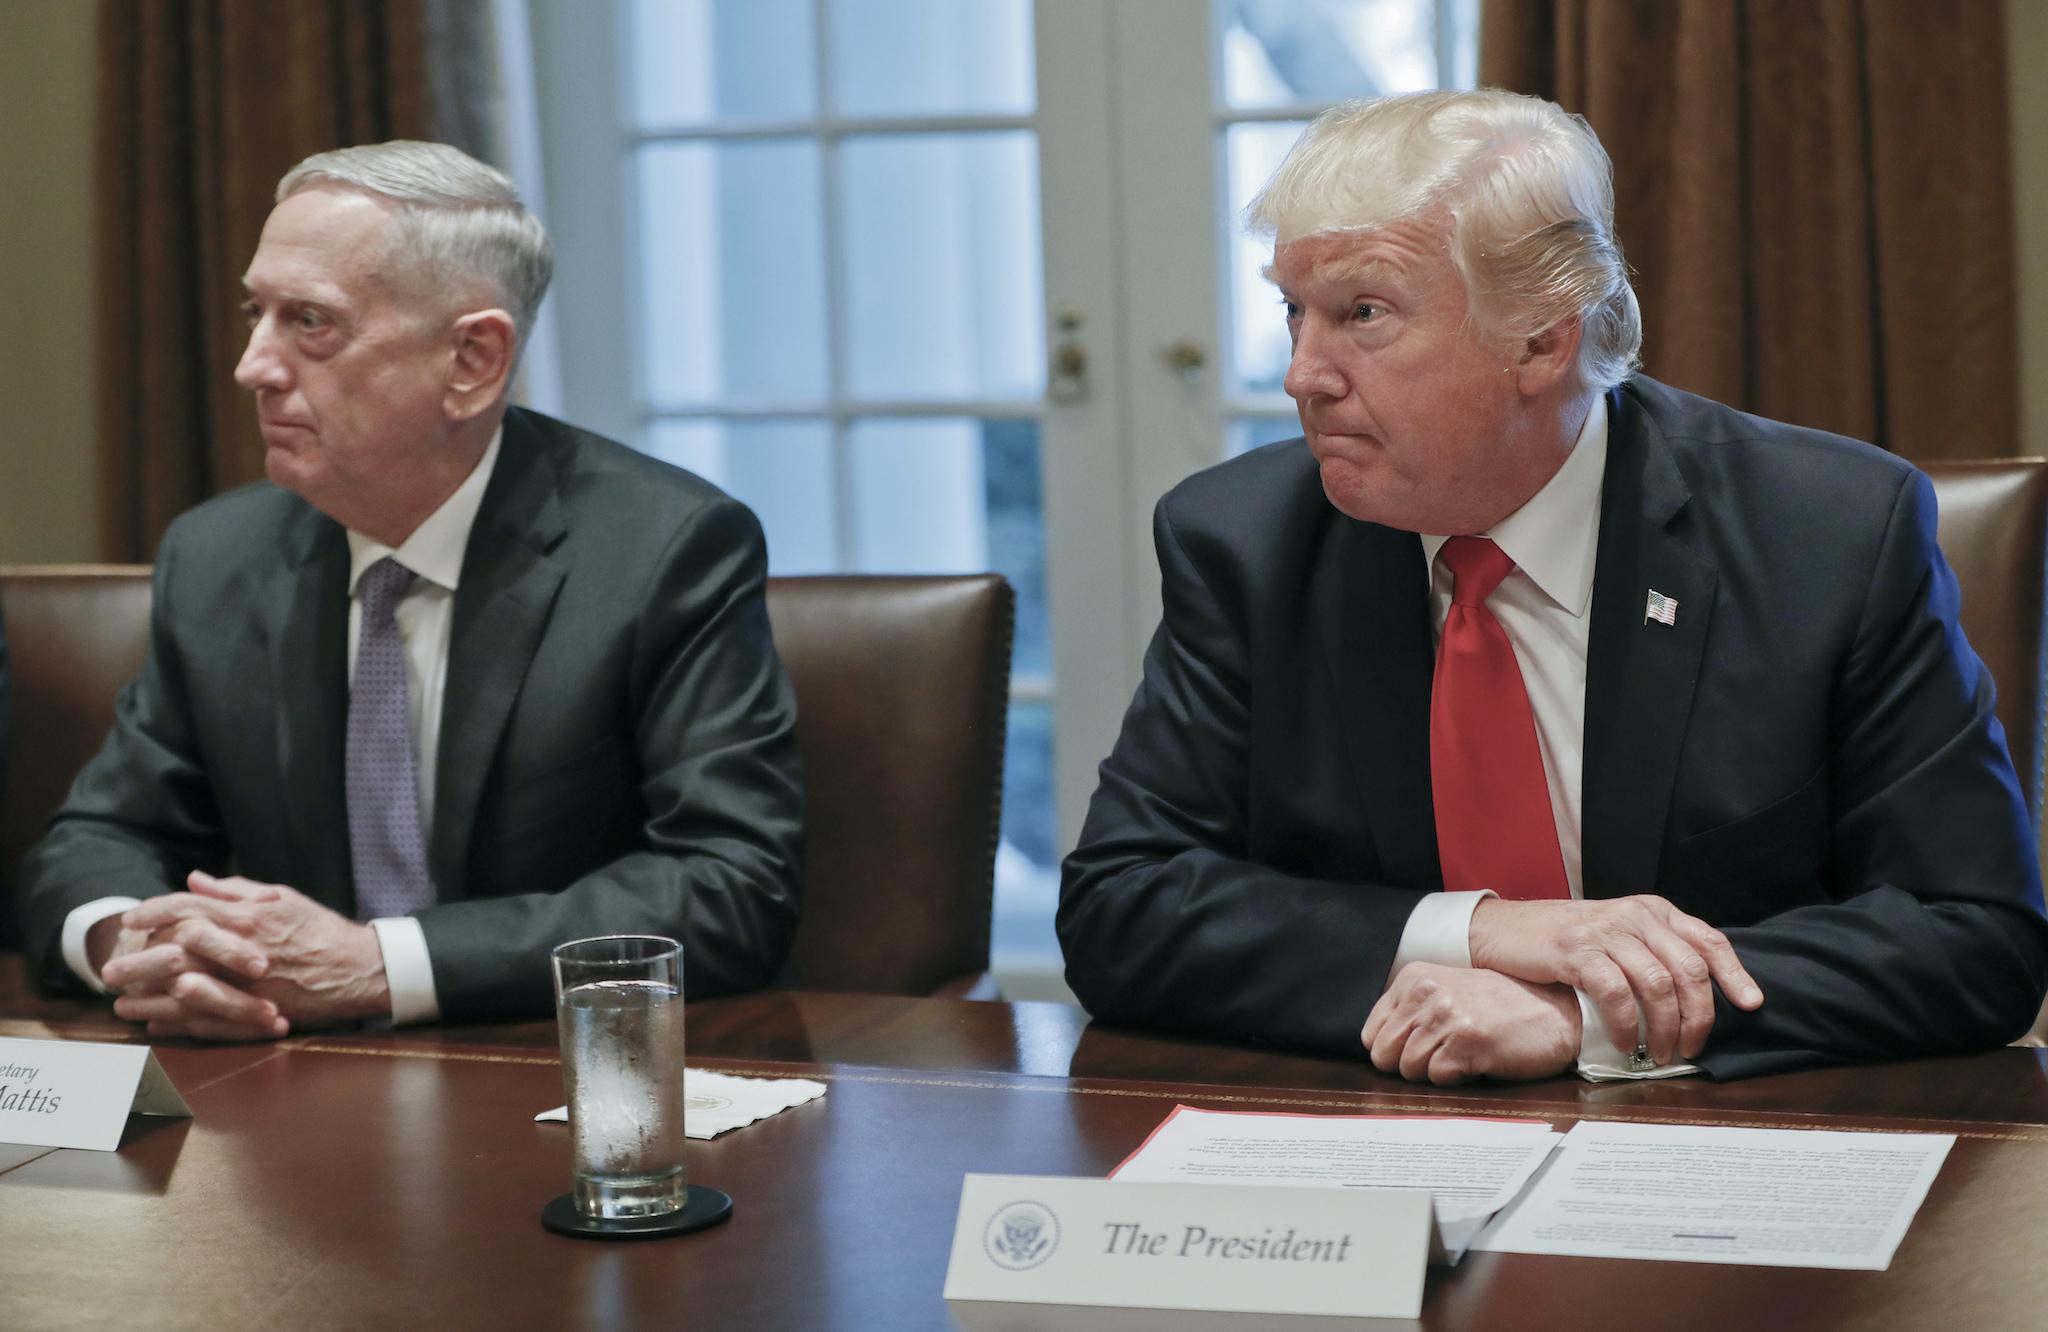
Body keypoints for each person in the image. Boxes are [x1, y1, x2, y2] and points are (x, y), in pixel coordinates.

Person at [1059, 90, 2048, 1084]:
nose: (1301, 377)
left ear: (1541, 339)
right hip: (1373, 1146)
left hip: (1730, 1153)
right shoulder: (1243, 544)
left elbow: (1968, 935)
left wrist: (1590, 1016)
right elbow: (1122, 906)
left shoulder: (1828, 534)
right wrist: (1481, 934)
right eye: (1292, 312)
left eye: (1361, 314)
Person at [15, 142, 804, 1040]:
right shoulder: (216, 557)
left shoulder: (662, 550)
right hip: (282, 1087)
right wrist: (139, 941)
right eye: (255, 312)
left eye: (309, 322)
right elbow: (93, 841)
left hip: (546, 1076)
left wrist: (378, 966)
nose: (253, 366)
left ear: (471, 360)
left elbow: (731, 884)